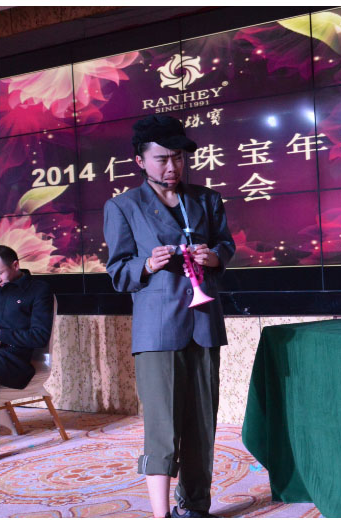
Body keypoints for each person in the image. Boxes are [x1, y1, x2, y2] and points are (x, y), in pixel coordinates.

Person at [103, 115, 235, 518]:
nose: (172, 167)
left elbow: (225, 245)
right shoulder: (123, 206)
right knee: (162, 426)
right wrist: (146, 264)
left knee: (202, 423)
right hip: (158, 330)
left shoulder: (207, 199)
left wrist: (215, 257)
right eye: (161, 159)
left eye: (177, 157)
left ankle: (195, 507)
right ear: (140, 161)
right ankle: (161, 516)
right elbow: (118, 272)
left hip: (204, 323)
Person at [0, 245, 54, 390]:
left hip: (15, 361)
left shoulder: (38, 290)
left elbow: (39, 337)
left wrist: (0, 334)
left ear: (15, 265)